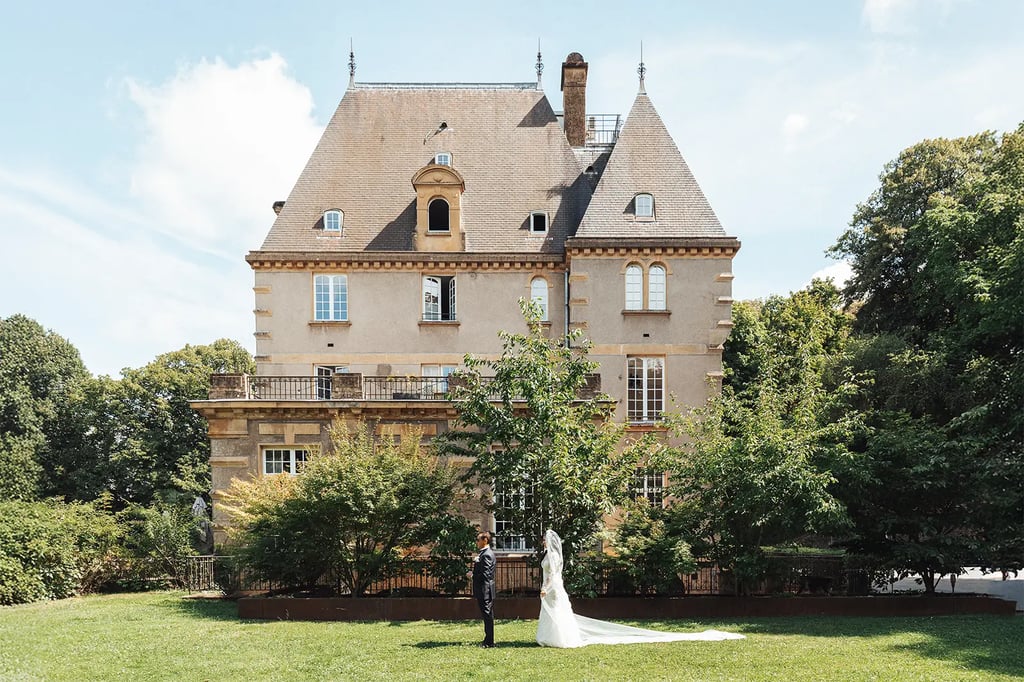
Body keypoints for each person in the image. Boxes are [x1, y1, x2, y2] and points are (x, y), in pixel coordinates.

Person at [536, 529, 745, 648]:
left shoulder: (552, 556)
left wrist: (545, 587)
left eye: (544, 540)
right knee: (555, 612)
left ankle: (559, 638)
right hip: (554, 587)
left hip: (553, 588)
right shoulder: (550, 555)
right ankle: (554, 636)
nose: (543, 542)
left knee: (557, 612)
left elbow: (552, 574)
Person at [469, 530, 496, 647]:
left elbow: (486, 574)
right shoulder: (483, 553)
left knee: (487, 614)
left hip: (485, 590)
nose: (476, 542)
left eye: (478, 540)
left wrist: (472, 575)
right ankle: (488, 640)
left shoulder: (487, 554)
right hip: (483, 589)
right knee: (486, 614)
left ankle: (489, 641)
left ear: (485, 540)